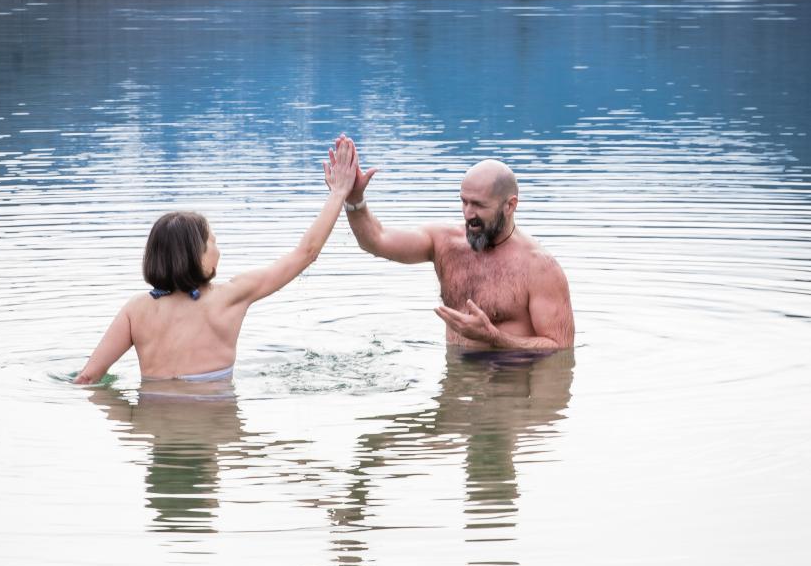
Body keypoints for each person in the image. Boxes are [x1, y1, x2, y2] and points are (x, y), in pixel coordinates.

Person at [73, 139, 357, 385]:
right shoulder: (230, 297)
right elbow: (305, 253)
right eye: (213, 242)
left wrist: (133, 424)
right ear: (195, 255)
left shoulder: (136, 310)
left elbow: (87, 378)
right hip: (216, 424)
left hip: (156, 427)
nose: (218, 250)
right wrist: (338, 193)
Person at [335, 137, 574, 353]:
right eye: (464, 202)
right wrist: (355, 200)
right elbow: (375, 240)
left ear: (510, 206)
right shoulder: (445, 243)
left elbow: (560, 349)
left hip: (508, 387)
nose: (468, 214)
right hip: (455, 384)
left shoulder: (539, 267)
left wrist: (495, 337)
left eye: (479, 205)